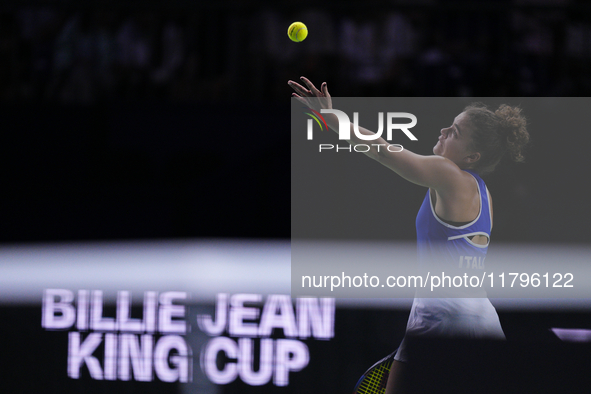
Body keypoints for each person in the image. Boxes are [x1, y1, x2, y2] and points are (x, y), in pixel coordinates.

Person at [288, 76, 530, 393]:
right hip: (476, 319)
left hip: (443, 319)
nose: (444, 132)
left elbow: (385, 152)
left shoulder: (449, 176)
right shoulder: (483, 194)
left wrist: (333, 118)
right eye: (449, 125)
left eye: (455, 133)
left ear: (472, 157)